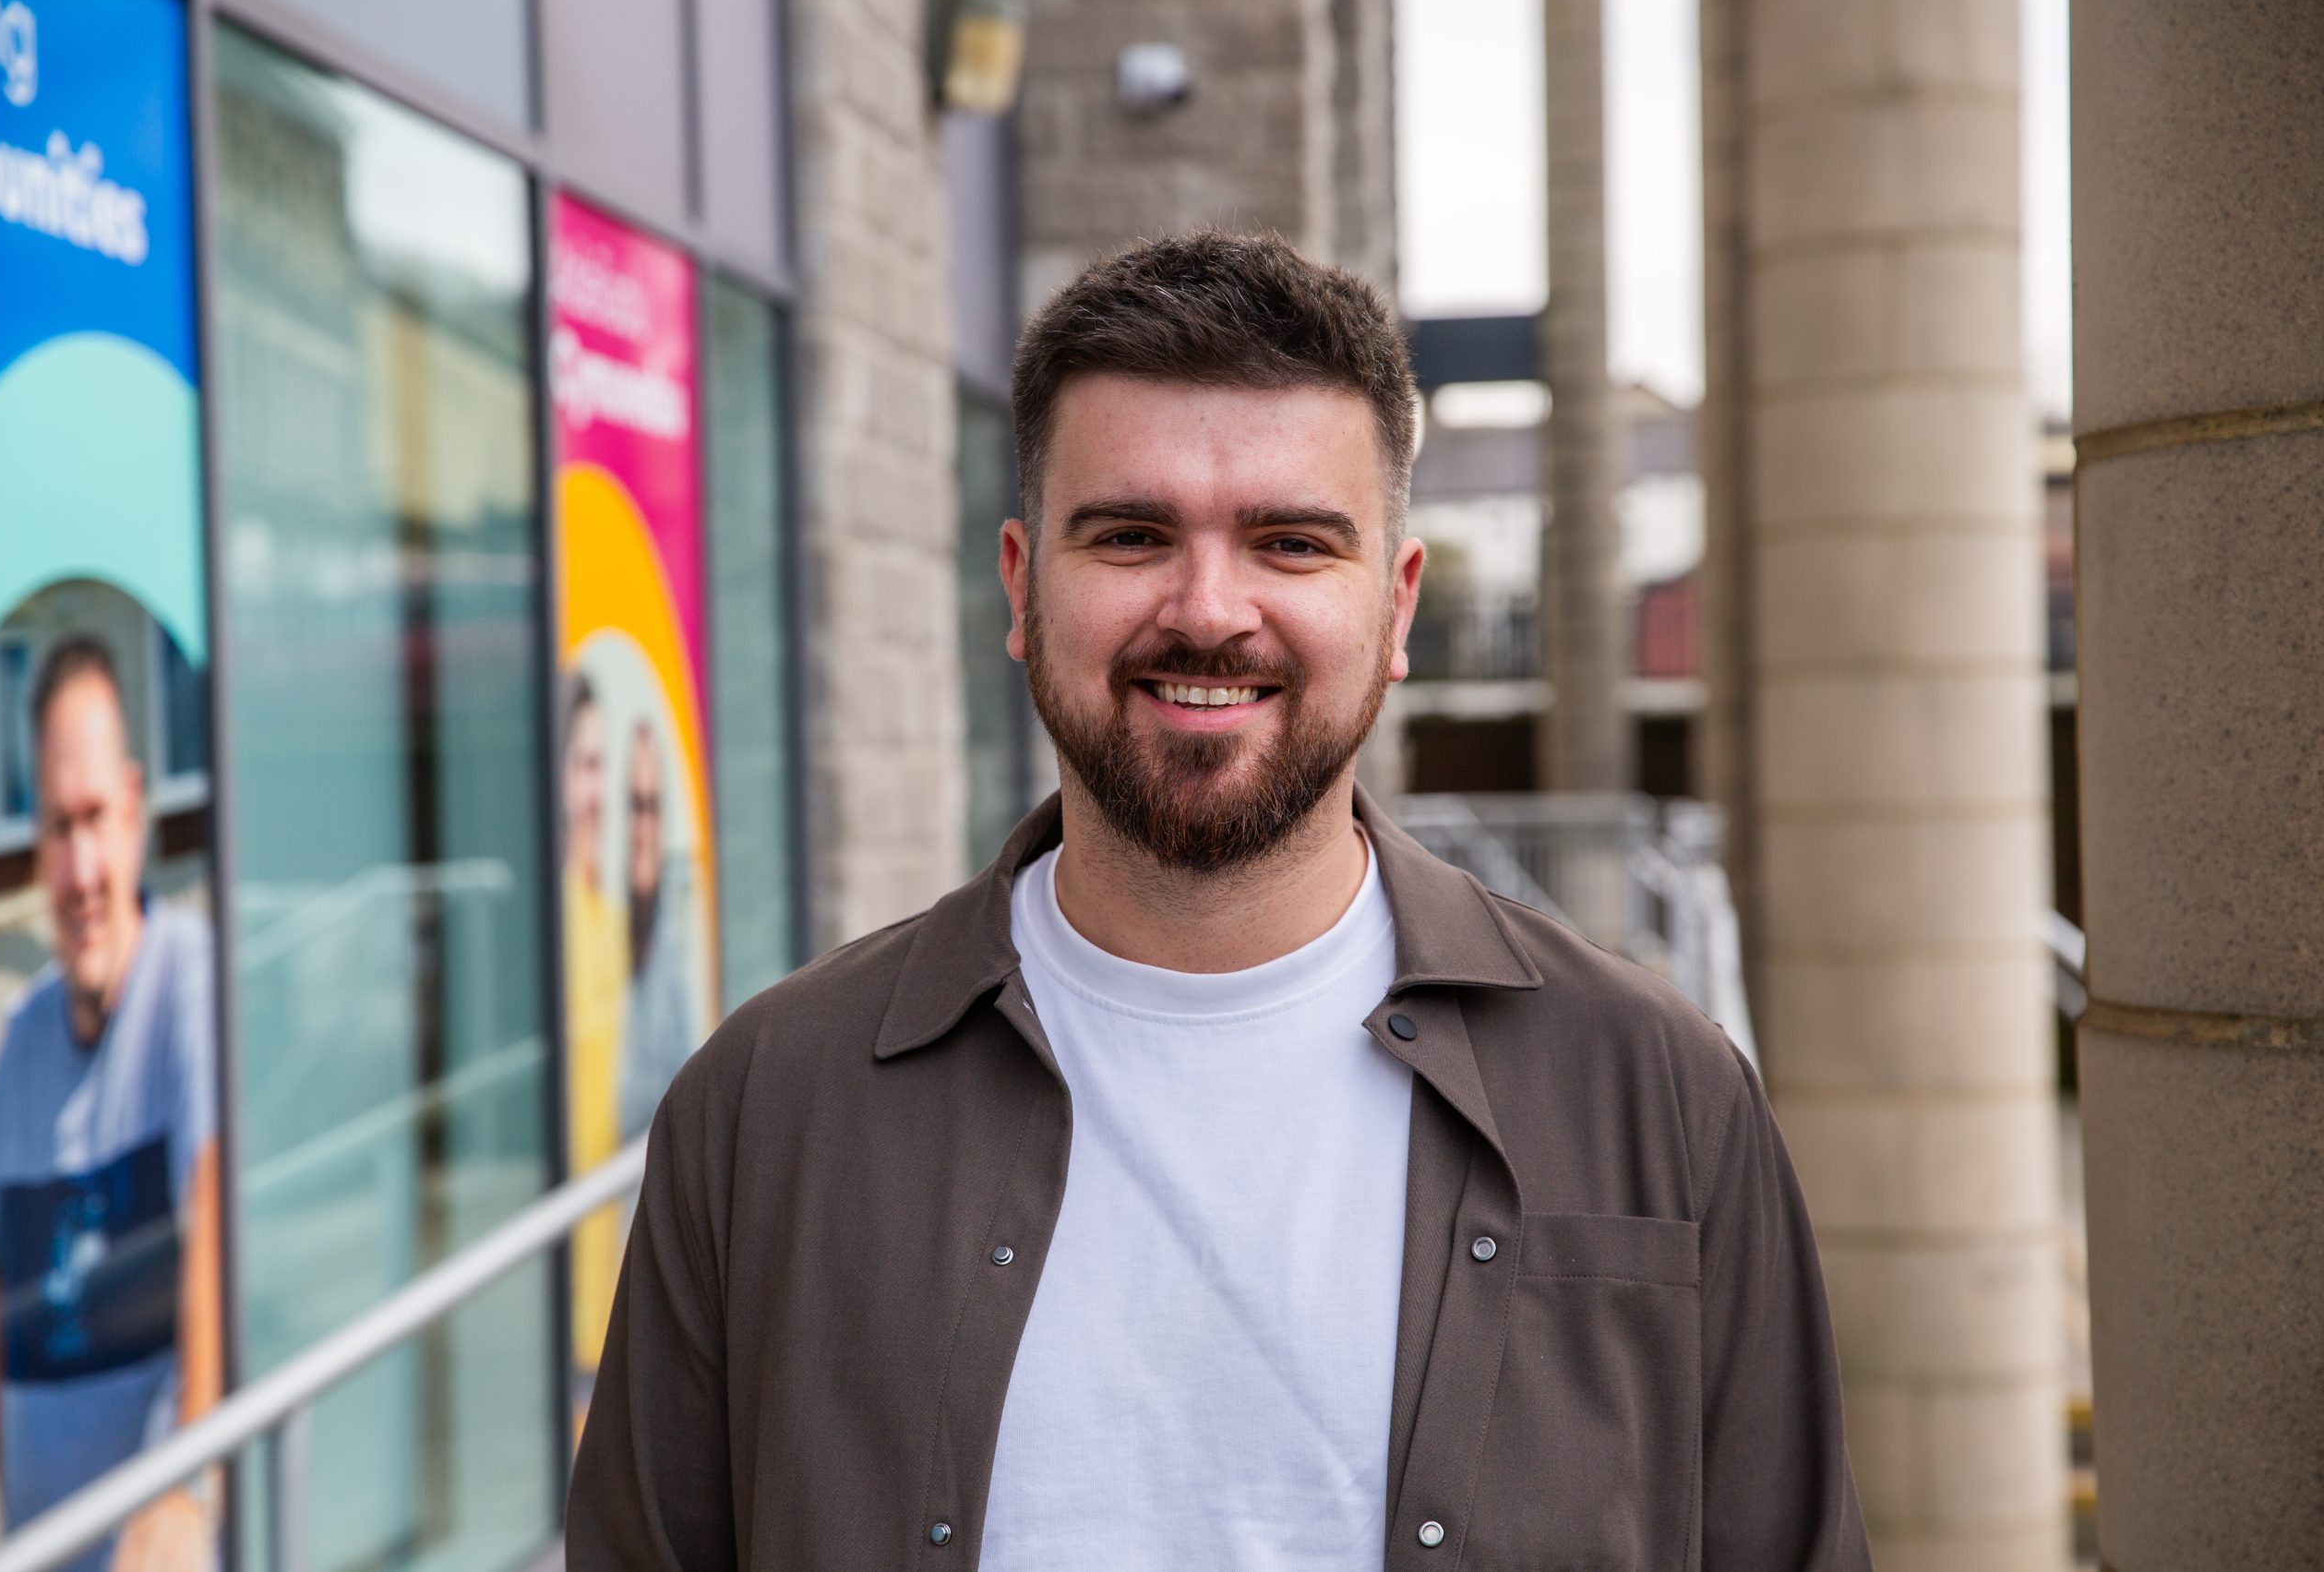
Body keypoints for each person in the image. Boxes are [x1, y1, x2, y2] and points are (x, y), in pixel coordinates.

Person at [568, 231, 1870, 1570]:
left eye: (1291, 543)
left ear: (1396, 603)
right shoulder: (767, 1106)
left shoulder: (1656, 1093)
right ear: (1021, 584)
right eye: (1132, 534)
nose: (1208, 609)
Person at [0, 637, 221, 1572]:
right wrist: (6, 1463)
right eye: (59, 830)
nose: (81, 872)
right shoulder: (26, 1034)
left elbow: (218, 1214)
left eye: (98, 819)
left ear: (137, 811)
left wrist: (186, 1485)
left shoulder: (187, 977)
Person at [559, 675, 628, 1375]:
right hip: (562, 1309)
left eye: (599, 764)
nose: (597, 791)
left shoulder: (601, 910)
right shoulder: (551, 928)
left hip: (608, 1302)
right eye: (582, 765)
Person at [617, 724, 698, 1141]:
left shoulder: (671, 931)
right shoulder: (602, 929)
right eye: (633, 806)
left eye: (651, 807)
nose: (641, 828)